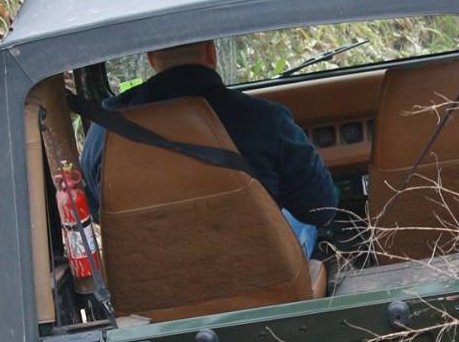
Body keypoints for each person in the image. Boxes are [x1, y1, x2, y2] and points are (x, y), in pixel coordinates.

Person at [80, 40, 337, 256]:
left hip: (154, 284)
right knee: (301, 221)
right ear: (211, 53)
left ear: (151, 60)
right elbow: (321, 209)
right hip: (260, 274)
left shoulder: (105, 132)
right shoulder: (265, 119)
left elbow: (101, 214)